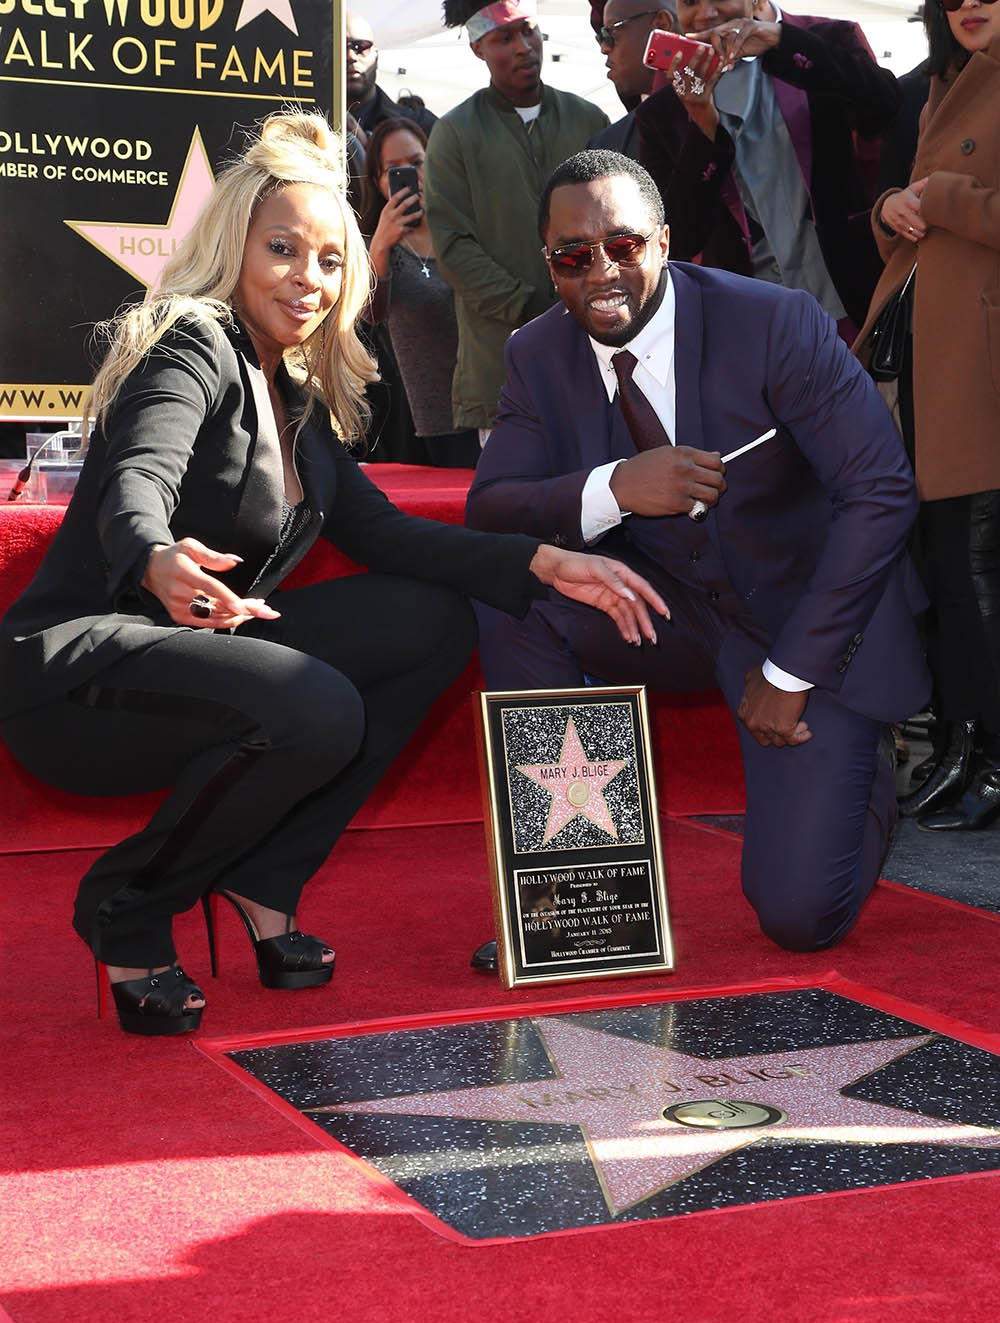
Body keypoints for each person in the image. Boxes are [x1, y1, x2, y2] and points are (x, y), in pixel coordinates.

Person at [0, 117, 668, 1037]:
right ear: (232, 242)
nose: (305, 280)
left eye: (326, 260)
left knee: (430, 620)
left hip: (202, 658)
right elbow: (139, 476)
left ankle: (265, 875)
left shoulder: (298, 395)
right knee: (318, 702)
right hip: (84, 678)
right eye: (280, 250)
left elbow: (386, 535)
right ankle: (130, 901)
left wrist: (544, 560)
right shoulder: (188, 347)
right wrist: (153, 553)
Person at [466, 149, 930, 967]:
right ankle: (576, 888)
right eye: (572, 256)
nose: (600, 271)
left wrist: (792, 673)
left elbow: (882, 489)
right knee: (516, 588)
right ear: (550, 262)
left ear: (666, 240)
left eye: (624, 246)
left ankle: (862, 762)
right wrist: (616, 485)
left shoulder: (774, 321)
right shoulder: (538, 354)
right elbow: (493, 506)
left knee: (798, 916)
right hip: (676, 609)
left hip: (810, 624)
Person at [854, 0, 1000, 831]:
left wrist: (941, 193)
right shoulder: (945, 82)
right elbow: (916, 219)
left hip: (978, 370)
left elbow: (954, 204)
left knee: (977, 573)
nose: (966, 5)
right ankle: (965, 739)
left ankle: (991, 750)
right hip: (923, 365)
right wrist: (890, 212)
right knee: (945, 570)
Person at [633, 0, 900, 335]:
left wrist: (779, 40)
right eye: (689, 2)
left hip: (852, 301)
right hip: (750, 326)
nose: (705, 14)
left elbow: (886, 104)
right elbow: (678, 239)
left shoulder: (827, 39)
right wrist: (703, 126)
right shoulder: (666, 104)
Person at [424, 0, 608, 439]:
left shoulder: (589, 120)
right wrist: (527, 306)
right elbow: (451, 245)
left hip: (595, 346)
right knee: (520, 499)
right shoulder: (455, 134)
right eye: (504, 38)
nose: (524, 47)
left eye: (529, 31)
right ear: (477, 48)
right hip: (501, 360)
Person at [360, 119, 480, 467]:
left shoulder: (466, 230)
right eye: (393, 170)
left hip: (485, 408)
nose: (409, 176)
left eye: (416, 163)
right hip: (421, 424)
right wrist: (380, 248)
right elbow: (370, 316)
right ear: (379, 182)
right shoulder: (373, 248)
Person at [588, 0, 678, 159]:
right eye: (600, 36)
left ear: (661, 26)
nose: (604, 48)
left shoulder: (727, 116)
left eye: (610, 33)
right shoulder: (606, 147)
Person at [345, 11, 437, 146]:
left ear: (376, 56)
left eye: (360, 47)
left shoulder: (420, 125)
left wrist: (367, 149)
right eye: (338, 47)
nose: (350, 56)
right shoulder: (306, 120)